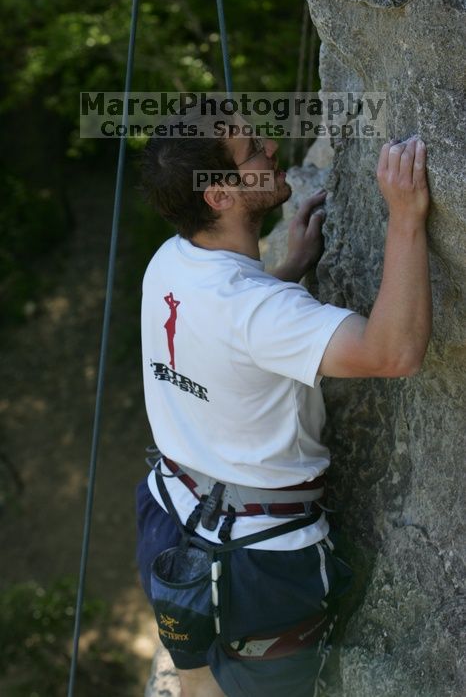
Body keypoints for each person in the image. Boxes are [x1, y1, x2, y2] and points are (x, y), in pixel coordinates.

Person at [136, 126, 431, 697]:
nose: (271, 149)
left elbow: (229, 337)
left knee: (197, 684)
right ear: (219, 196)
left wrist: (291, 266)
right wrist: (405, 217)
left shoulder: (169, 263)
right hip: (259, 564)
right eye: (252, 153)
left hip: (167, 519)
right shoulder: (259, 311)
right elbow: (392, 353)